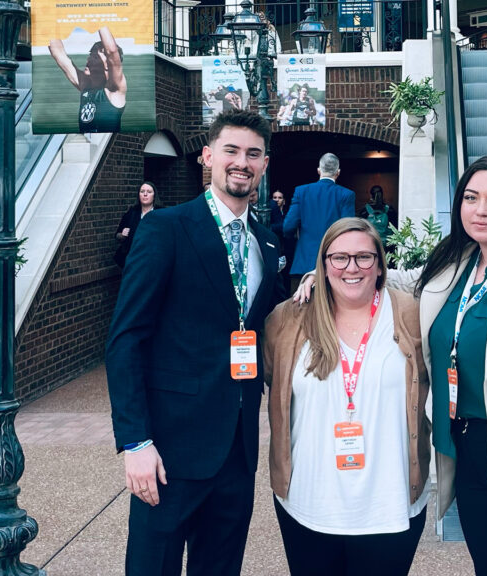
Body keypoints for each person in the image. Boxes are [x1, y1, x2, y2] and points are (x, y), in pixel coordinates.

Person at [296, 156, 487, 575]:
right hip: (468, 449)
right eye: (471, 198)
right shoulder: (457, 264)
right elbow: (402, 279)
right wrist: (326, 273)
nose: (481, 210)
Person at [106, 110, 284, 576]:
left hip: (237, 449)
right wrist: (135, 441)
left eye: (253, 154)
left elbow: (267, 317)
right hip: (168, 449)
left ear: (264, 164)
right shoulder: (165, 228)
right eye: (231, 151)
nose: (241, 162)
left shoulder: (266, 243)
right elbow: (126, 339)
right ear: (207, 156)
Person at [264, 218, 430, 576]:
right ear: (323, 265)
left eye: (364, 257)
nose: (351, 268)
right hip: (308, 504)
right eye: (339, 258)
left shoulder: (412, 316)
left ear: (381, 264)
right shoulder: (287, 320)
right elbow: (271, 377)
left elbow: (449, 274)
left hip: (390, 507)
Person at [283, 153, 355, 287]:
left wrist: (296, 238)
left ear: (319, 170)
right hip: (333, 266)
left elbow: (288, 227)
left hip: (303, 262)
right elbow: (348, 230)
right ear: (338, 173)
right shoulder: (346, 195)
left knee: (299, 306)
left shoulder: (301, 191)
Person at [49, 27, 127, 133]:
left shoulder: (115, 89)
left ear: (108, 65)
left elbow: (112, 52)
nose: (88, 59)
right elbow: (58, 54)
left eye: (95, 57)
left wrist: (99, 21)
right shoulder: (85, 86)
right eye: (90, 55)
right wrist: (49, 21)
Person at [113, 181, 161, 268]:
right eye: (142, 191)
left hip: (154, 261)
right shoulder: (132, 213)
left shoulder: (161, 213)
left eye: (149, 192)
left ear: (154, 196)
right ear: (139, 195)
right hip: (134, 261)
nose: (145, 194)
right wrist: (122, 235)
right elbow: (117, 235)